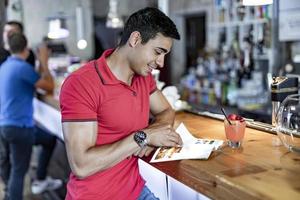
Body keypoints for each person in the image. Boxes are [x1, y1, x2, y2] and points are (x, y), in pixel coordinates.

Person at [60, 7, 182, 200]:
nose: (161, 63)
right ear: (135, 40)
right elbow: (81, 166)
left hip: (134, 190)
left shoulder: (143, 76)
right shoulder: (81, 83)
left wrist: (155, 132)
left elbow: (166, 110)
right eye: (158, 52)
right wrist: (143, 137)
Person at [0, 33, 62, 200]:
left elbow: (39, 81)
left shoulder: (5, 66)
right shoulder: (21, 68)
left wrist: (41, 64)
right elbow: (49, 86)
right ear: (26, 50)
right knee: (19, 171)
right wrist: (44, 61)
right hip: (20, 128)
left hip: (5, 126)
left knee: (49, 139)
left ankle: (40, 179)